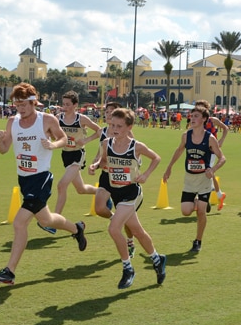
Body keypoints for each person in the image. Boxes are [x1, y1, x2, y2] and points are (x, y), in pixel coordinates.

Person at [0, 83, 87, 286]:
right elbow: (4, 149)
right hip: (23, 178)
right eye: (17, 104)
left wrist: (53, 144)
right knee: (47, 220)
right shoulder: (11, 122)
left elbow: (63, 138)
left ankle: (9, 272)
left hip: (41, 178)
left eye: (24, 104)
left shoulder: (47, 120)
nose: (20, 108)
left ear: (33, 102)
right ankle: (76, 229)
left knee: (19, 222)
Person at [90, 108, 166, 289]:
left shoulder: (136, 146)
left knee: (114, 228)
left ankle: (128, 268)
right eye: (112, 125)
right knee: (138, 231)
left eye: (119, 126)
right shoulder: (107, 144)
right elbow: (103, 162)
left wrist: (146, 174)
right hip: (114, 190)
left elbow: (156, 158)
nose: (114, 129)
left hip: (131, 193)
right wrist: (94, 165)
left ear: (129, 127)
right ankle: (157, 258)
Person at [163, 106, 226, 252]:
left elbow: (222, 158)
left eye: (196, 116)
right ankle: (199, 202)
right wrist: (169, 167)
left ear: (204, 119)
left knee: (201, 212)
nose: (192, 118)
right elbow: (179, 150)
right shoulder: (186, 135)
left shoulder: (210, 138)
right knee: (185, 211)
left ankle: (198, 241)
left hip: (204, 179)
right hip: (189, 179)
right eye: (192, 116)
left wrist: (213, 169)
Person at [88, 102, 136, 258]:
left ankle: (130, 240)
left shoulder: (126, 134)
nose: (108, 114)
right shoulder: (103, 132)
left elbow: (135, 154)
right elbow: (100, 155)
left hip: (123, 179)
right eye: (107, 112)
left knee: (129, 220)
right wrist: (95, 164)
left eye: (111, 112)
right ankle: (116, 219)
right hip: (106, 176)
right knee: (99, 208)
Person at [53, 90, 101, 215]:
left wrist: (86, 140)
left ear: (75, 105)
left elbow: (99, 131)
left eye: (68, 104)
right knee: (81, 189)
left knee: (61, 185)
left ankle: (54, 220)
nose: (65, 107)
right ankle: (103, 193)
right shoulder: (58, 118)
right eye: (63, 104)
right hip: (65, 154)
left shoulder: (81, 119)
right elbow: (51, 133)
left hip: (77, 155)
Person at [195, 100, 228, 210]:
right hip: (200, 151)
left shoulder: (213, 120)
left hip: (212, 151)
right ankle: (219, 194)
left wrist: (221, 141)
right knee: (206, 172)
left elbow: (225, 128)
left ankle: (203, 198)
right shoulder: (197, 122)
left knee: (206, 171)